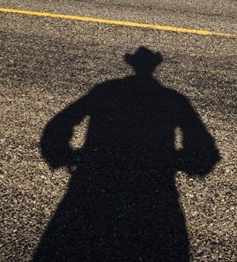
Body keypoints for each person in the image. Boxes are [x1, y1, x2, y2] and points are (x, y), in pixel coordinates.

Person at [34, 47, 220, 262]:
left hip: (94, 185)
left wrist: (66, 156)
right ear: (154, 67)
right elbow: (205, 150)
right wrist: (176, 162)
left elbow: (59, 125)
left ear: (132, 65)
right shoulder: (172, 101)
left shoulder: (107, 91)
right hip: (153, 191)